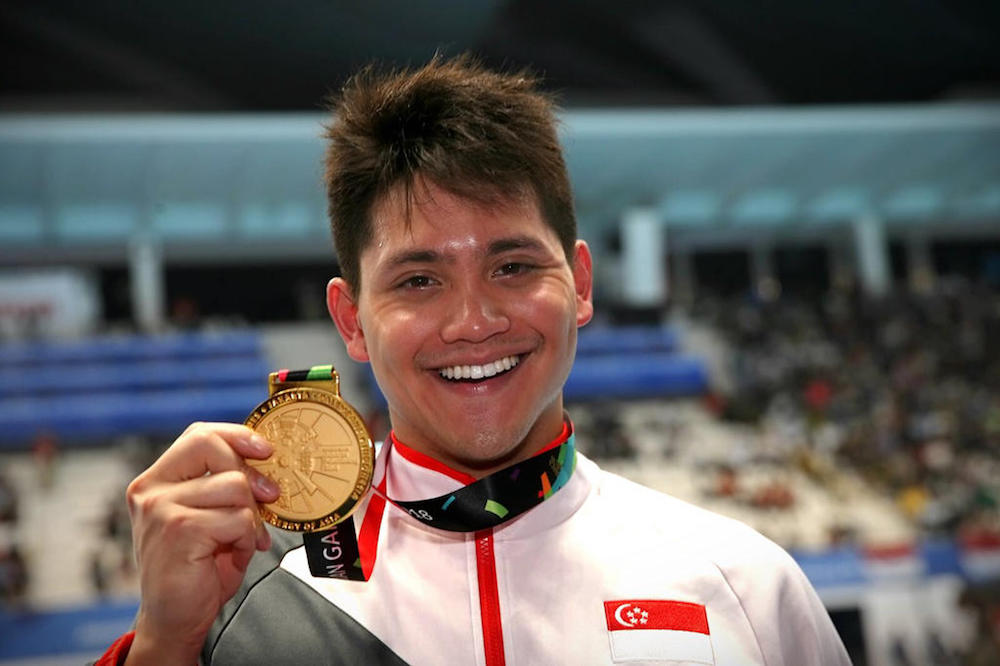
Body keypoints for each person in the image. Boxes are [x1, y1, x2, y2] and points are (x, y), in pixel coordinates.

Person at [98, 55, 849, 665]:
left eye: (514, 267)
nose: (474, 322)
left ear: (580, 285)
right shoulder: (242, 600)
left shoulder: (746, 587)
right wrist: (165, 647)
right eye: (419, 280)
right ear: (351, 321)